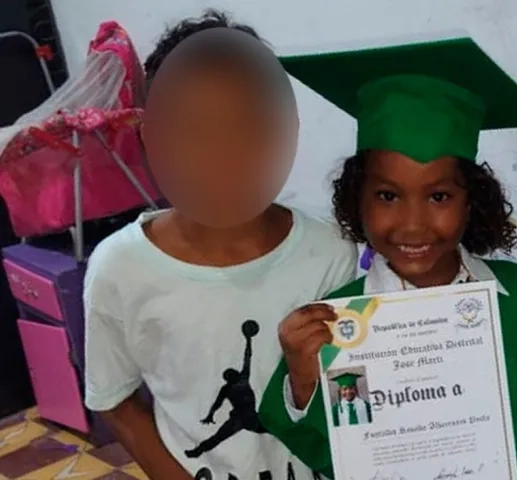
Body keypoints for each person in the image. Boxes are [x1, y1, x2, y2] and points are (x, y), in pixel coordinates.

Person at [258, 36, 517, 479]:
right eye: (387, 195)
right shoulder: (338, 328)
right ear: (356, 200)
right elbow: (342, 455)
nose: (412, 224)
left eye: (438, 195)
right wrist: (306, 379)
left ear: (472, 200)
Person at [83, 10, 356, 480]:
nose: (225, 153)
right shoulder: (119, 268)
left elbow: (350, 386)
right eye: (195, 130)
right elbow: (113, 398)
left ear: (284, 129)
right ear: (154, 136)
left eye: (247, 124)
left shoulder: (331, 251)